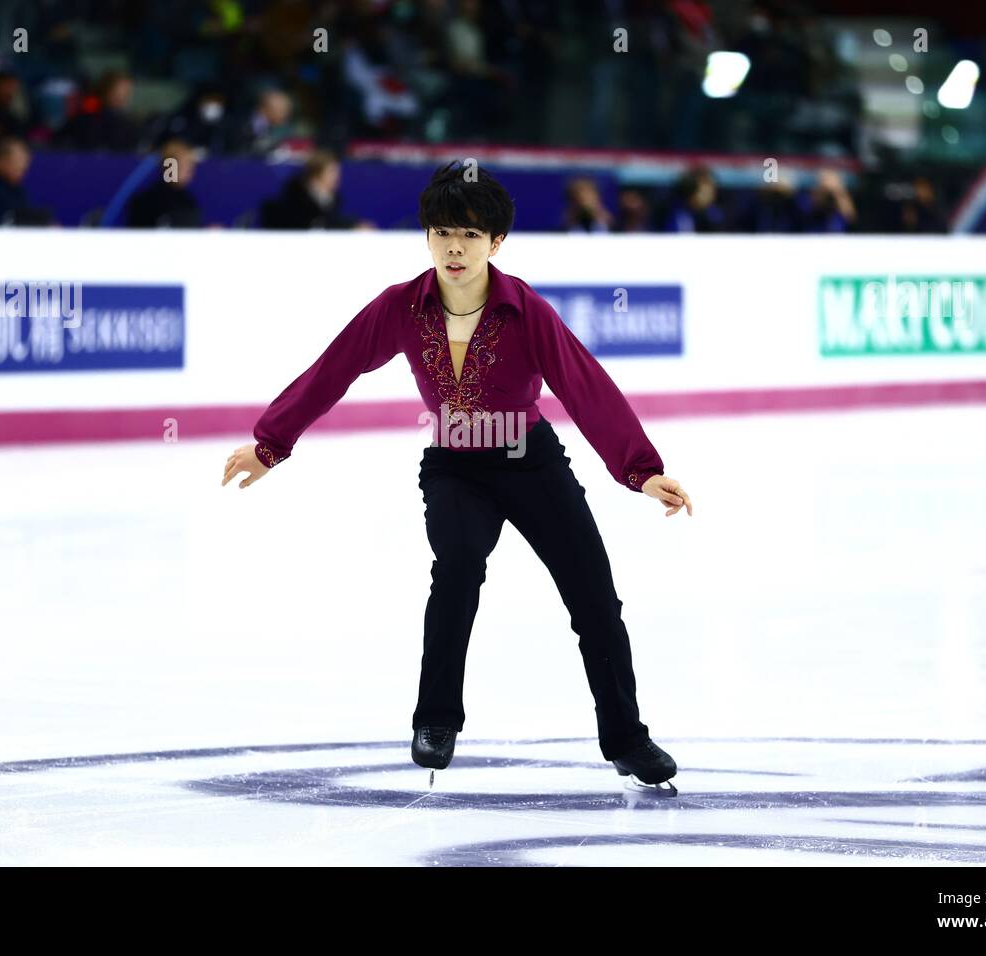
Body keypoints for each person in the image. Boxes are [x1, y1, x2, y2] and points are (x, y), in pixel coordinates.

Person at [222, 162, 692, 790]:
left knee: (594, 599)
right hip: (454, 467)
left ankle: (628, 739)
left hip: (531, 462)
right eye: (442, 232)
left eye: (470, 235)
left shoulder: (527, 310)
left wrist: (641, 470)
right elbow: (333, 369)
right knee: (458, 570)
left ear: (496, 243)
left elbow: (585, 388)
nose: (454, 248)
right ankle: (436, 721)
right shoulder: (399, 307)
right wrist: (271, 443)